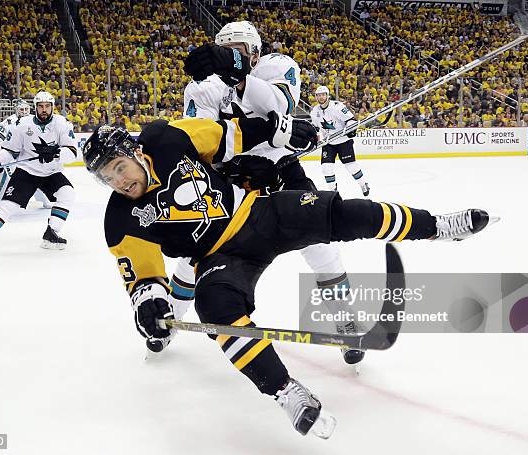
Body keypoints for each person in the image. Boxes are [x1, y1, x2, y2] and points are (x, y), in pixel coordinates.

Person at [82, 114, 494, 438]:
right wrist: (149, 304)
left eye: (120, 167)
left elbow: (231, 134)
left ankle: (437, 226)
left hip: (261, 213)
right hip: (219, 257)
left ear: (134, 151)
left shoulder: (166, 138)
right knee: (217, 309)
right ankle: (285, 391)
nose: (119, 181)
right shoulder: (120, 219)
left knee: (346, 214)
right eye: (107, 178)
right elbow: (141, 277)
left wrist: (280, 137)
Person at [180, 21, 363, 365]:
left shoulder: (277, 67)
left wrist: (277, 129)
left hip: (281, 170)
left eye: (238, 51)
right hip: (231, 178)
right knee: (195, 250)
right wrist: (252, 147)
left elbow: (279, 104)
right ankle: (170, 316)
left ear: (256, 54)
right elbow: (202, 140)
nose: (231, 57)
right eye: (225, 50)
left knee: (318, 243)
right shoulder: (202, 88)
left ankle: (345, 320)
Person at [0, 91, 77, 252]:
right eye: (40, 106)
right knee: (9, 205)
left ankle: (51, 233)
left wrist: (56, 153)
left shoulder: (62, 124)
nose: (44, 110)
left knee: (67, 193)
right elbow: (10, 151)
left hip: (51, 173)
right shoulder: (22, 125)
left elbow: (72, 153)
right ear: (35, 107)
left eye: (47, 106)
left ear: (52, 107)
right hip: (27, 172)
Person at [310, 85, 370, 196]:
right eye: (319, 95)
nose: (321, 97)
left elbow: (351, 119)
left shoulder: (337, 106)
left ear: (327, 96)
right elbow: (315, 127)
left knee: (351, 166)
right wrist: (314, 137)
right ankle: (333, 192)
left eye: (323, 95)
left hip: (344, 141)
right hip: (328, 143)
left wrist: (351, 129)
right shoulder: (315, 111)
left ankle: (363, 184)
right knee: (326, 168)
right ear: (316, 97)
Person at [0, 100, 53, 208]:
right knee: (5, 178)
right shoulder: (10, 121)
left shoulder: (33, 120)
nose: (24, 112)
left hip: (26, 154)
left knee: (35, 175)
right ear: (16, 110)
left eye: (26, 109)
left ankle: (44, 199)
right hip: (11, 154)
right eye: (21, 109)